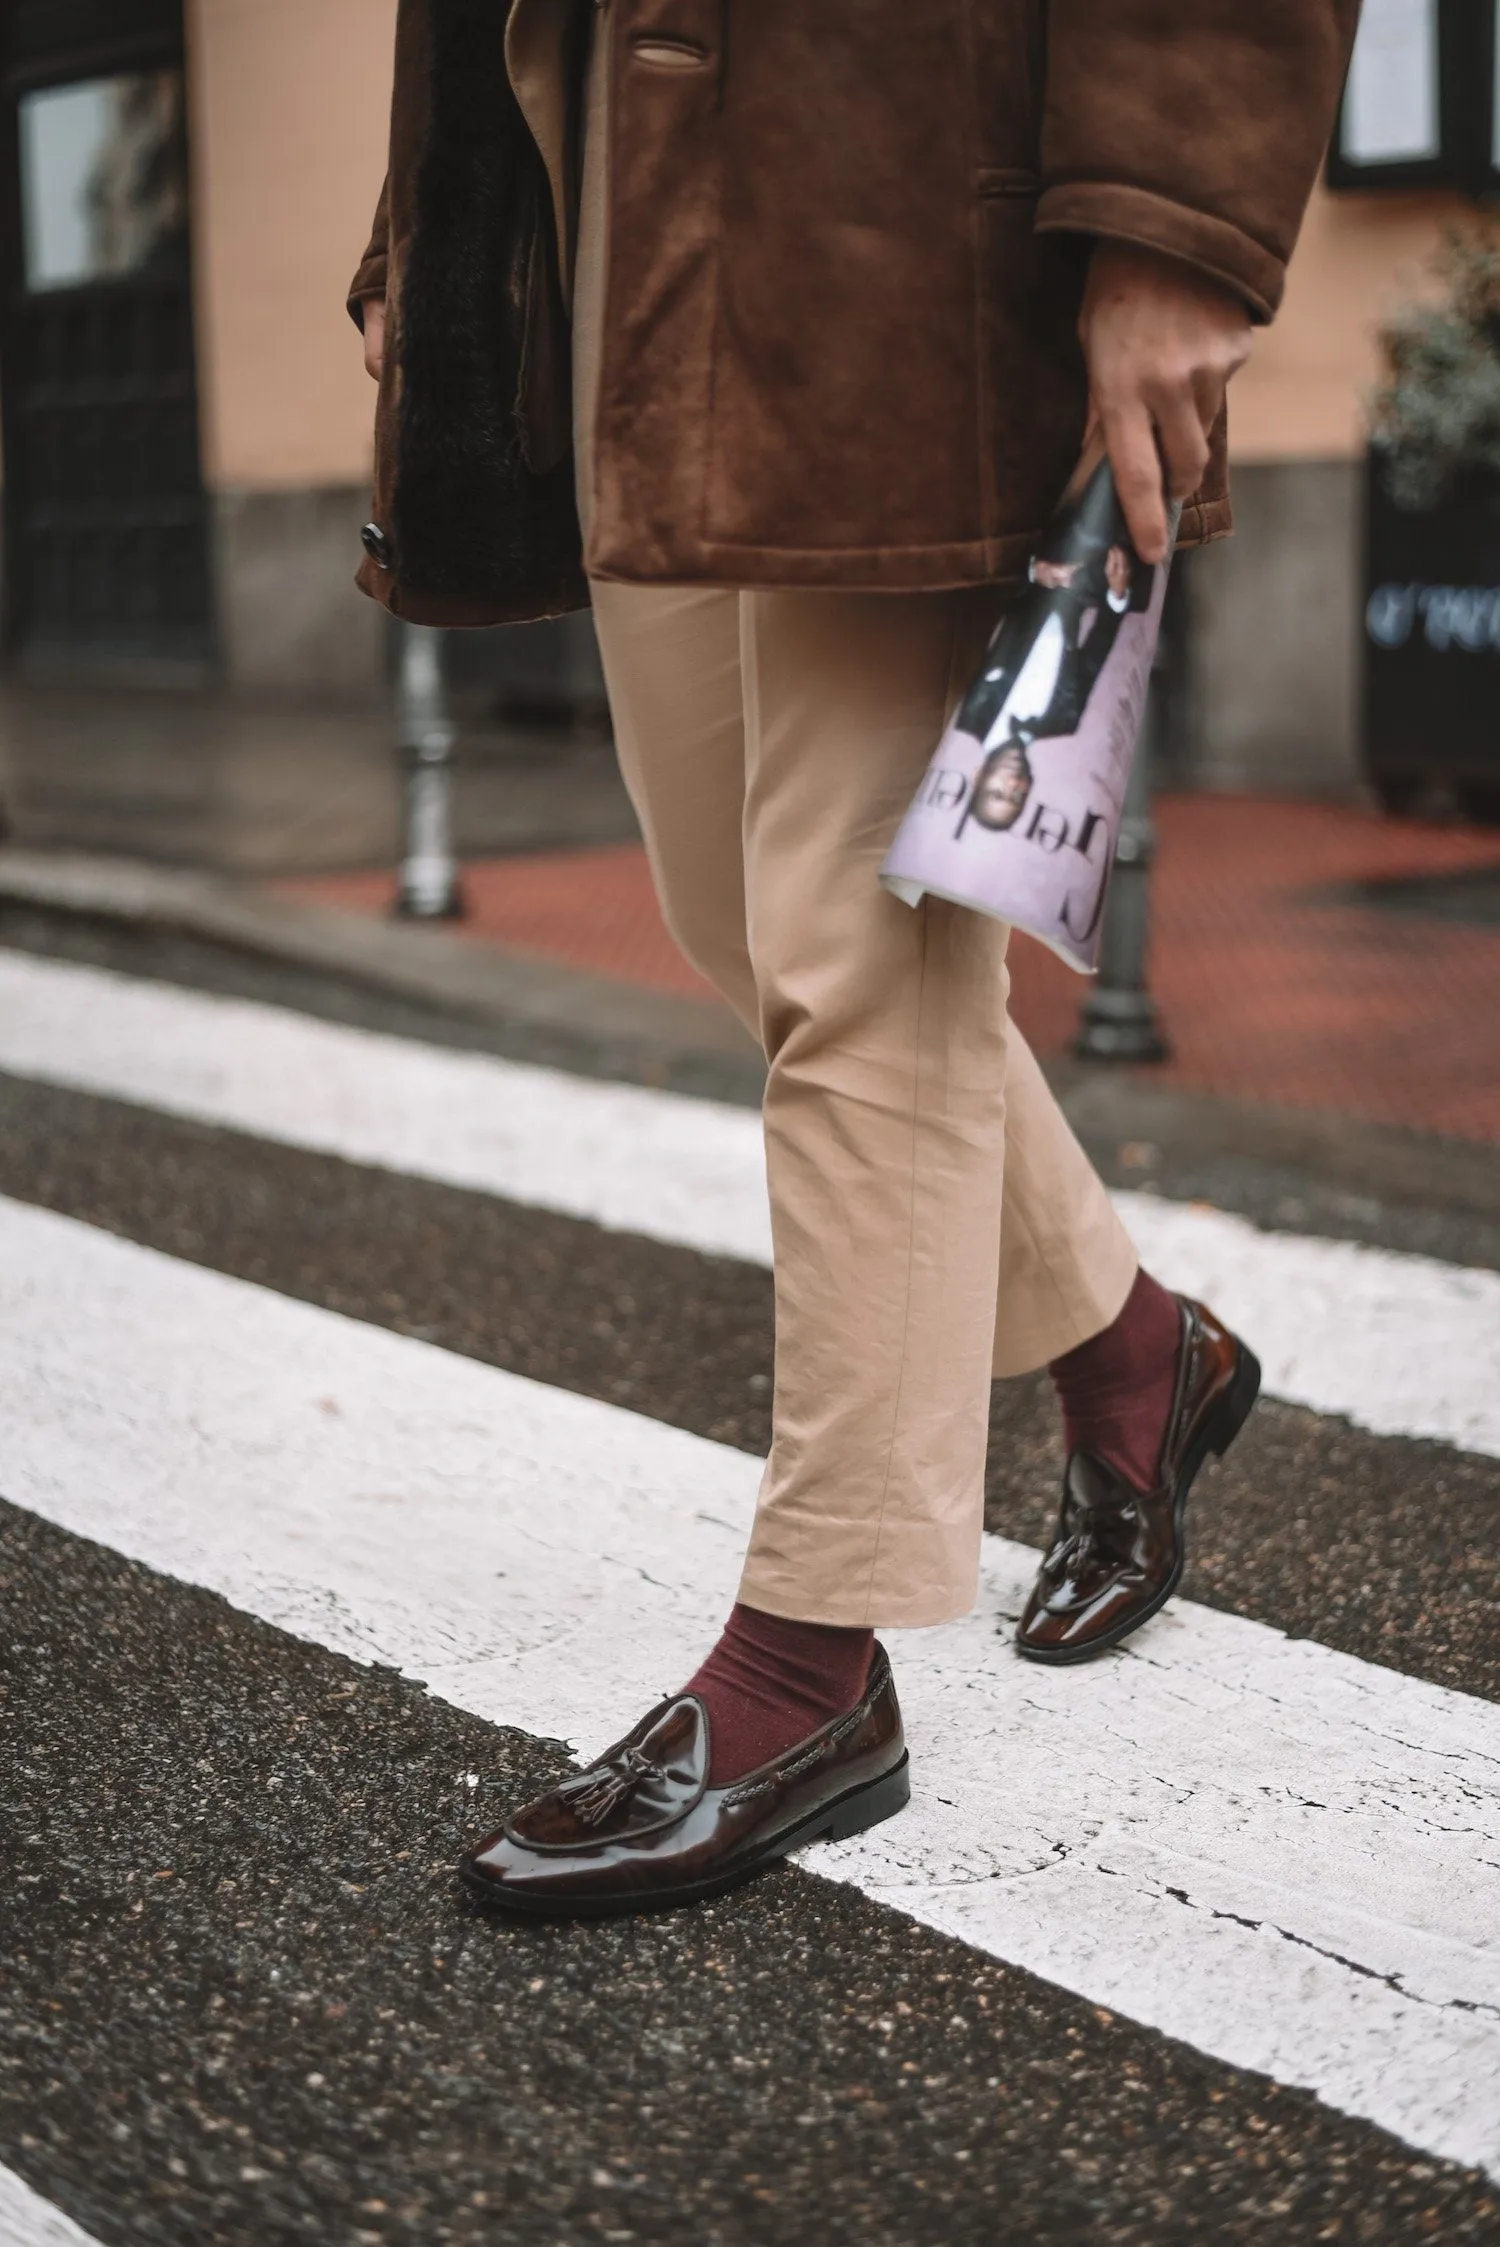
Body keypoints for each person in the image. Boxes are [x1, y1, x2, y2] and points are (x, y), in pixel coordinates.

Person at [350, 0, 1356, 1919]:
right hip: (627, 199)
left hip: (898, 190)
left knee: (857, 932)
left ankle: (811, 1664)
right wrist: (428, 226)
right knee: (735, 903)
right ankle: (1137, 1347)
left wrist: (1171, 219)